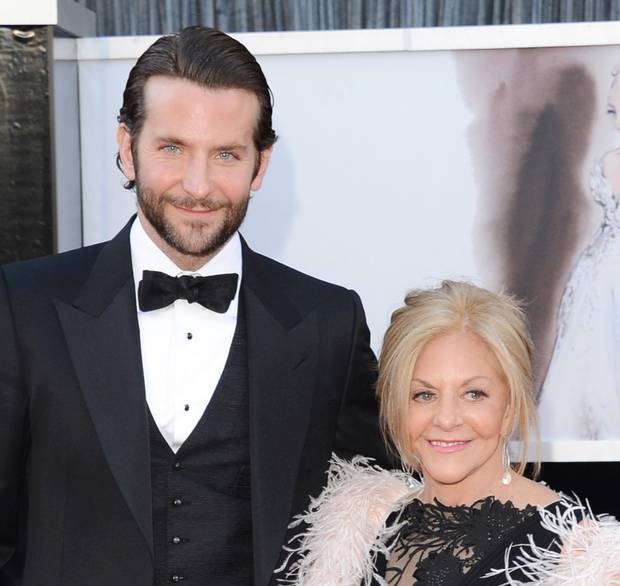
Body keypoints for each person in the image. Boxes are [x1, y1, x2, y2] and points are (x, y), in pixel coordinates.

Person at [0, 26, 387, 586]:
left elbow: (377, 503)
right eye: (173, 148)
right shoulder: (25, 307)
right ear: (127, 149)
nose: (199, 186)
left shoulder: (327, 322)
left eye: (226, 154)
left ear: (260, 165)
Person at [280, 281, 620, 585]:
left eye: (473, 394)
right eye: (424, 395)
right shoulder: (360, 528)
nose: (446, 419)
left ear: (510, 407)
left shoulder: (582, 558)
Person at [539, 67, 620, 440]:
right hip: (597, 267)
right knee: (581, 362)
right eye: (612, 111)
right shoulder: (608, 159)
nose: (617, 122)